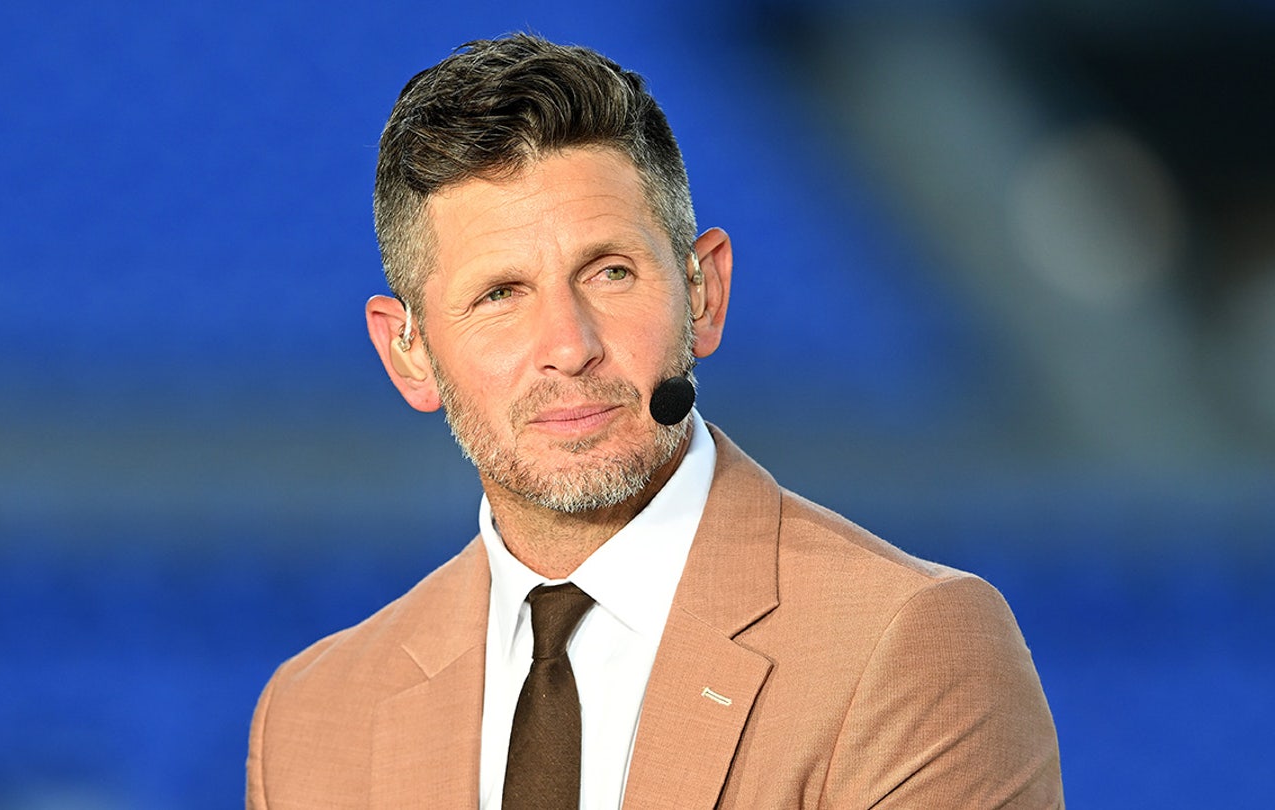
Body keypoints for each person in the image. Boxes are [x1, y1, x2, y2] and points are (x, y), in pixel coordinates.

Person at [247, 33, 1062, 809]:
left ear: (703, 292)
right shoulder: (313, 717)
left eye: (609, 272)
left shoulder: (906, 646)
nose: (569, 346)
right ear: (409, 354)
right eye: (500, 294)